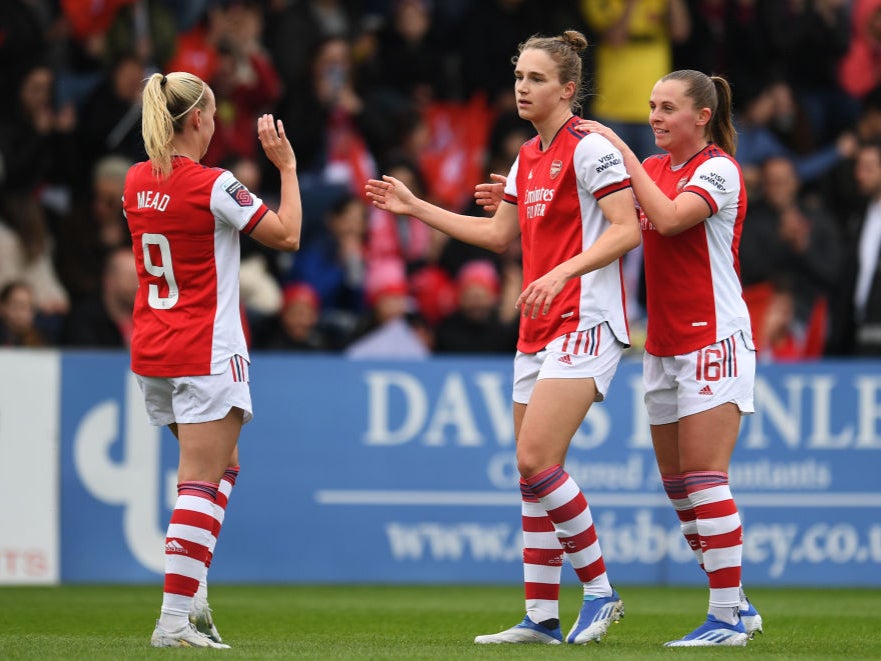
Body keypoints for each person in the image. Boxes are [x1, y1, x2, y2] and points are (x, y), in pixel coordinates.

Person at [366, 30, 640, 646]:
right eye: (520, 75)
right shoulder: (527, 156)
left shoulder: (590, 148)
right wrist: (416, 208)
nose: (523, 86)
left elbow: (626, 231)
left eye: (537, 78)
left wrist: (561, 272)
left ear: (568, 89)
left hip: (586, 318)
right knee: (531, 475)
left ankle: (600, 591)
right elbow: (497, 237)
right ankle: (541, 617)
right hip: (537, 324)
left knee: (535, 460)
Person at [577, 70, 763, 646]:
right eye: (652, 107)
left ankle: (726, 618)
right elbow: (614, 220)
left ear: (702, 116)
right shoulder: (654, 169)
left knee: (706, 478)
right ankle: (740, 606)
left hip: (715, 341)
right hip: (661, 344)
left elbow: (675, 216)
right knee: (681, 489)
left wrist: (622, 151)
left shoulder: (719, 169)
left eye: (667, 108)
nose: (655, 116)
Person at [123, 71, 302, 648]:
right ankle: (173, 621)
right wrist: (288, 170)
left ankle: (192, 593)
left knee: (223, 467)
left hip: (154, 348)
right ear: (197, 118)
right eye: (215, 114)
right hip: (205, 347)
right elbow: (287, 236)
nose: (217, 124)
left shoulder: (133, 181)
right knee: (200, 482)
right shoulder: (213, 184)